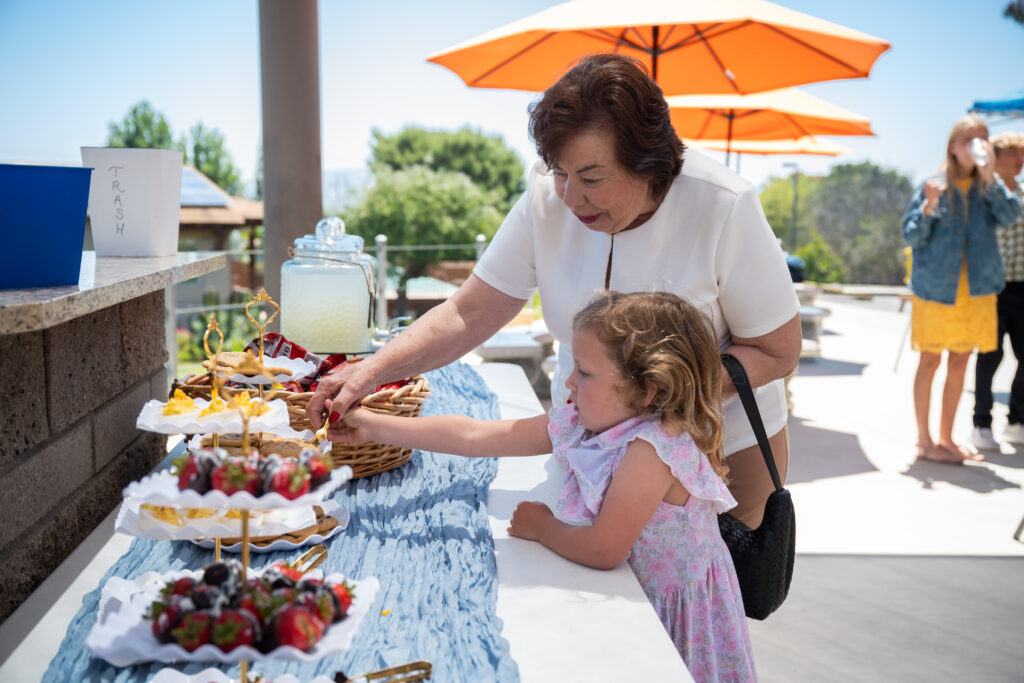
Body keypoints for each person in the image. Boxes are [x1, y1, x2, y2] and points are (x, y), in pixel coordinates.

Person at [309, 53, 801, 529]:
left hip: (720, 457)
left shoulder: (723, 203)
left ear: (648, 163)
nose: (568, 196)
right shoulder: (548, 194)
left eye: (590, 177)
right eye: (560, 172)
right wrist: (371, 371)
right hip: (589, 446)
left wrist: (648, 396)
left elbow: (777, 351)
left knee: (699, 604)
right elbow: (470, 312)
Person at [332, 291, 757, 681]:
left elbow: (603, 550)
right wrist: (374, 426)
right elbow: (476, 436)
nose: (569, 383)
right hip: (625, 594)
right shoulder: (584, 422)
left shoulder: (652, 450)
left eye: (585, 373)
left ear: (647, 390)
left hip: (671, 614)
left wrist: (543, 527)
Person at [902, 115, 1021, 463]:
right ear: (953, 147)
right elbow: (911, 235)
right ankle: (924, 441)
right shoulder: (933, 184)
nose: (978, 144)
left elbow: (1011, 215)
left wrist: (991, 179)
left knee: (960, 363)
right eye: (969, 138)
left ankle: (947, 439)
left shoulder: (989, 186)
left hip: (978, 291)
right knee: (929, 362)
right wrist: (929, 206)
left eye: (983, 138)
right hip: (937, 290)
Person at [972, 132, 1024, 451]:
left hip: (1022, 287)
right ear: (996, 156)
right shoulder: (983, 194)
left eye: (1023, 154)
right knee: (990, 357)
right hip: (991, 288)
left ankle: (1017, 421)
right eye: (1014, 153)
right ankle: (981, 425)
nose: (1020, 160)